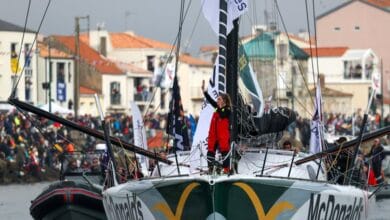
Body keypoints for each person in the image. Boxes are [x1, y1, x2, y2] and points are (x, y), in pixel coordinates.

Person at [205, 92, 232, 174]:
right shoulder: (217, 108)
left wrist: (219, 107)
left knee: (224, 151)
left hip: (223, 134)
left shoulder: (227, 109)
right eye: (217, 99)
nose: (217, 101)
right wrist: (205, 92)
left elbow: (223, 115)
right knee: (210, 151)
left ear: (224, 101)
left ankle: (226, 169)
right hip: (214, 134)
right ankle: (210, 168)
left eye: (219, 99)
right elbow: (211, 100)